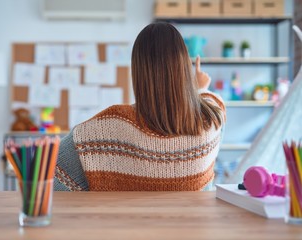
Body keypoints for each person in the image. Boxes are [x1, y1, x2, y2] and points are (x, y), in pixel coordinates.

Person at [54, 22, 226, 191]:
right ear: (183, 68)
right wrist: (200, 89)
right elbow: (214, 103)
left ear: (138, 72)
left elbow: (52, 170)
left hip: (121, 220)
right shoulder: (211, 123)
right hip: (191, 220)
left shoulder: (108, 127)